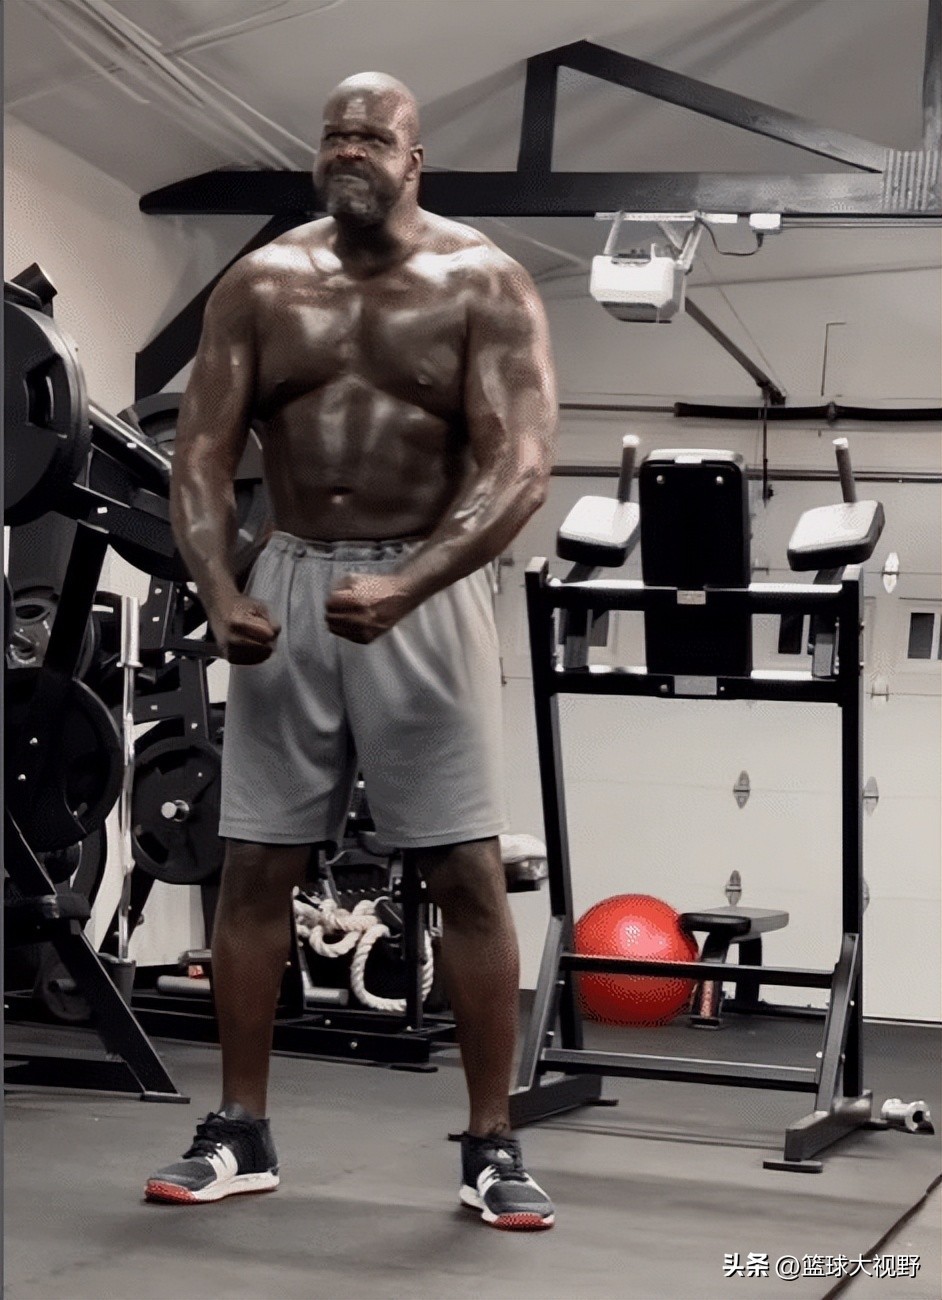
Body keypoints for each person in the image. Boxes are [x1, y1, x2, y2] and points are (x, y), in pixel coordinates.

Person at [146, 71, 558, 1232]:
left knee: (465, 869)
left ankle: (491, 1144)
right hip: (289, 580)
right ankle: (240, 1129)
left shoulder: (482, 281)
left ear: (414, 160)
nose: (348, 152)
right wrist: (220, 585)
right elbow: (199, 455)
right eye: (333, 136)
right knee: (253, 865)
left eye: (372, 137)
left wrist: (412, 582)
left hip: (429, 578)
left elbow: (521, 465)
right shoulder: (263, 284)